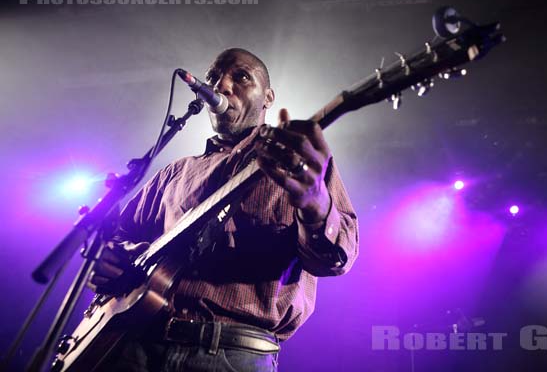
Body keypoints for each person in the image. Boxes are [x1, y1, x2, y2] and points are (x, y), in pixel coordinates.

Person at [87, 48, 359, 372]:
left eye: (241, 76)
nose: (222, 86)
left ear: (268, 97)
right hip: (133, 343)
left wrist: (315, 201)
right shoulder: (176, 172)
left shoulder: (299, 163)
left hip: (231, 354)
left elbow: (337, 258)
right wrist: (113, 258)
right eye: (214, 77)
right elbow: (118, 233)